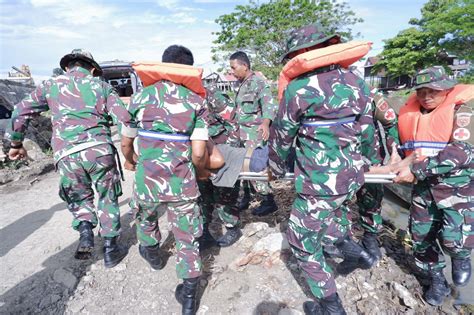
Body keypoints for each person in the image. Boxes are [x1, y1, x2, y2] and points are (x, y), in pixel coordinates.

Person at [268, 23, 378, 314]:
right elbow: (368, 131)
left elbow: (281, 136)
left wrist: (276, 170)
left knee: (300, 241)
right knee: (332, 219)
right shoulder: (356, 81)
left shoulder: (299, 87)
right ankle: (360, 256)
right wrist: (368, 162)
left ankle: (330, 307)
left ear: (304, 52)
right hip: (352, 177)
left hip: (321, 183)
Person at [6, 49, 131, 268]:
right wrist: (130, 150)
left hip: (67, 155)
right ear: (92, 69)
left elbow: (19, 111)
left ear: (67, 67)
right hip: (99, 151)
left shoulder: (50, 86)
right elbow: (124, 120)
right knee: (107, 197)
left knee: (79, 197)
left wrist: (16, 143)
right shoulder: (101, 86)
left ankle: (85, 233)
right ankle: (111, 250)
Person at [120, 45, 209, 315]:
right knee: (186, 236)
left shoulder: (140, 97)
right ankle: (190, 296)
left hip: (148, 180)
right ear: (188, 68)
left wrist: (132, 161)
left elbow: (126, 144)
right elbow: (198, 152)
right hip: (182, 182)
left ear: (164, 64)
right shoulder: (196, 101)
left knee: (145, 217)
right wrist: (202, 173)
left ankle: (153, 254)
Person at [385, 66, 473, 306]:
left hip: (457, 188)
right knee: (420, 238)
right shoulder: (409, 110)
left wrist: (413, 169)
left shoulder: (463, 110)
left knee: (455, 239)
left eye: (433, 90)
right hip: (423, 188)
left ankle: (460, 256)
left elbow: (462, 153)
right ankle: (437, 282)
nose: (427, 96)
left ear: (447, 88)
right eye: (421, 91)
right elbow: (394, 129)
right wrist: (394, 152)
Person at [229, 51, 279, 217]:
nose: (232, 72)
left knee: (255, 167)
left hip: (254, 134)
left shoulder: (258, 83)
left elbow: (269, 106)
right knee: (242, 167)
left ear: (244, 66)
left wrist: (266, 123)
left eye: (233, 68)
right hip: (240, 134)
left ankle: (268, 200)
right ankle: (247, 196)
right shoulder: (240, 84)